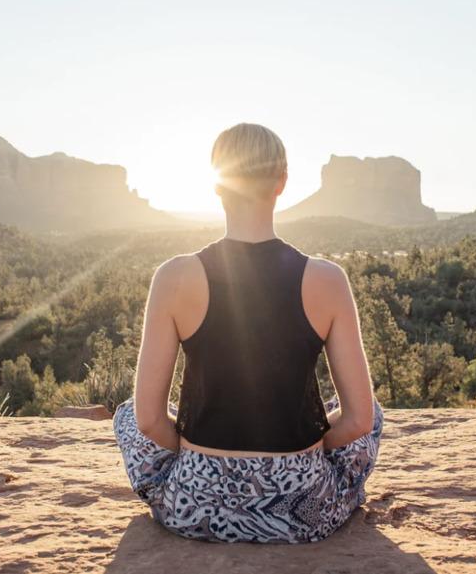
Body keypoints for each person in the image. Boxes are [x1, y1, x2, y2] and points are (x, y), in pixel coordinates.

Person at [112, 122, 384, 544]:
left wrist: (200, 459)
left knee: (129, 414)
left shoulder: (173, 277)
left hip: (197, 508)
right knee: (374, 412)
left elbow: (149, 420)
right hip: (302, 512)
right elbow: (359, 419)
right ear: (282, 182)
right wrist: (302, 452)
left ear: (216, 185)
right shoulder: (328, 280)